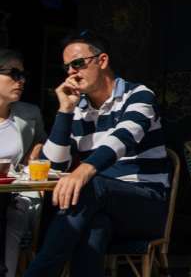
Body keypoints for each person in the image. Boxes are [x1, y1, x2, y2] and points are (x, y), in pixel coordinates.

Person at [25, 30, 171, 277]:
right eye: (67, 67)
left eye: (78, 64)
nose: (71, 72)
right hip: (99, 206)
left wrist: (84, 170)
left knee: (90, 187)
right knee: (95, 225)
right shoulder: (79, 110)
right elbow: (55, 165)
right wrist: (64, 110)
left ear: (102, 61)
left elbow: (124, 137)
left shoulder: (138, 95)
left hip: (146, 204)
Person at [0, 49, 45, 277]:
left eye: (23, 74)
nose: (21, 80)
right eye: (14, 73)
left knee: (15, 215)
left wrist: (37, 150)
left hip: (13, 194)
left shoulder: (30, 114)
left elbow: (42, 143)